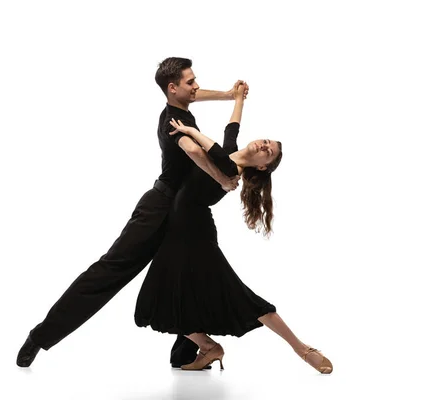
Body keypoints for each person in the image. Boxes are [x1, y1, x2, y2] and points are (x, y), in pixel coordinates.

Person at [17, 57, 249, 368]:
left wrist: (229, 95)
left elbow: (198, 101)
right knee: (109, 271)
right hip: (159, 210)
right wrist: (221, 178)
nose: (196, 86)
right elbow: (193, 150)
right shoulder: (173, 121)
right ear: (172, 88)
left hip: (188, 213)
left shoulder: (181, 108)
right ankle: (40, 337)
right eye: (190, 82)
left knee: (193, 274)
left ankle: (188, 350)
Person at [134, 84, 333, 374]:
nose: (263, 146)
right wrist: (238, 98)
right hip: (177, 230)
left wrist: (190, 132)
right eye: (265, 141)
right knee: (159, 299)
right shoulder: (229, 153)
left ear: (263, 167)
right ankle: (209, 347)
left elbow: (215, 151)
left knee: (237, 295)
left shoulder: (230, 171)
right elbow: (232, 127)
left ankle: (302, 349)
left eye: (269, 152)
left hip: (195, 234)